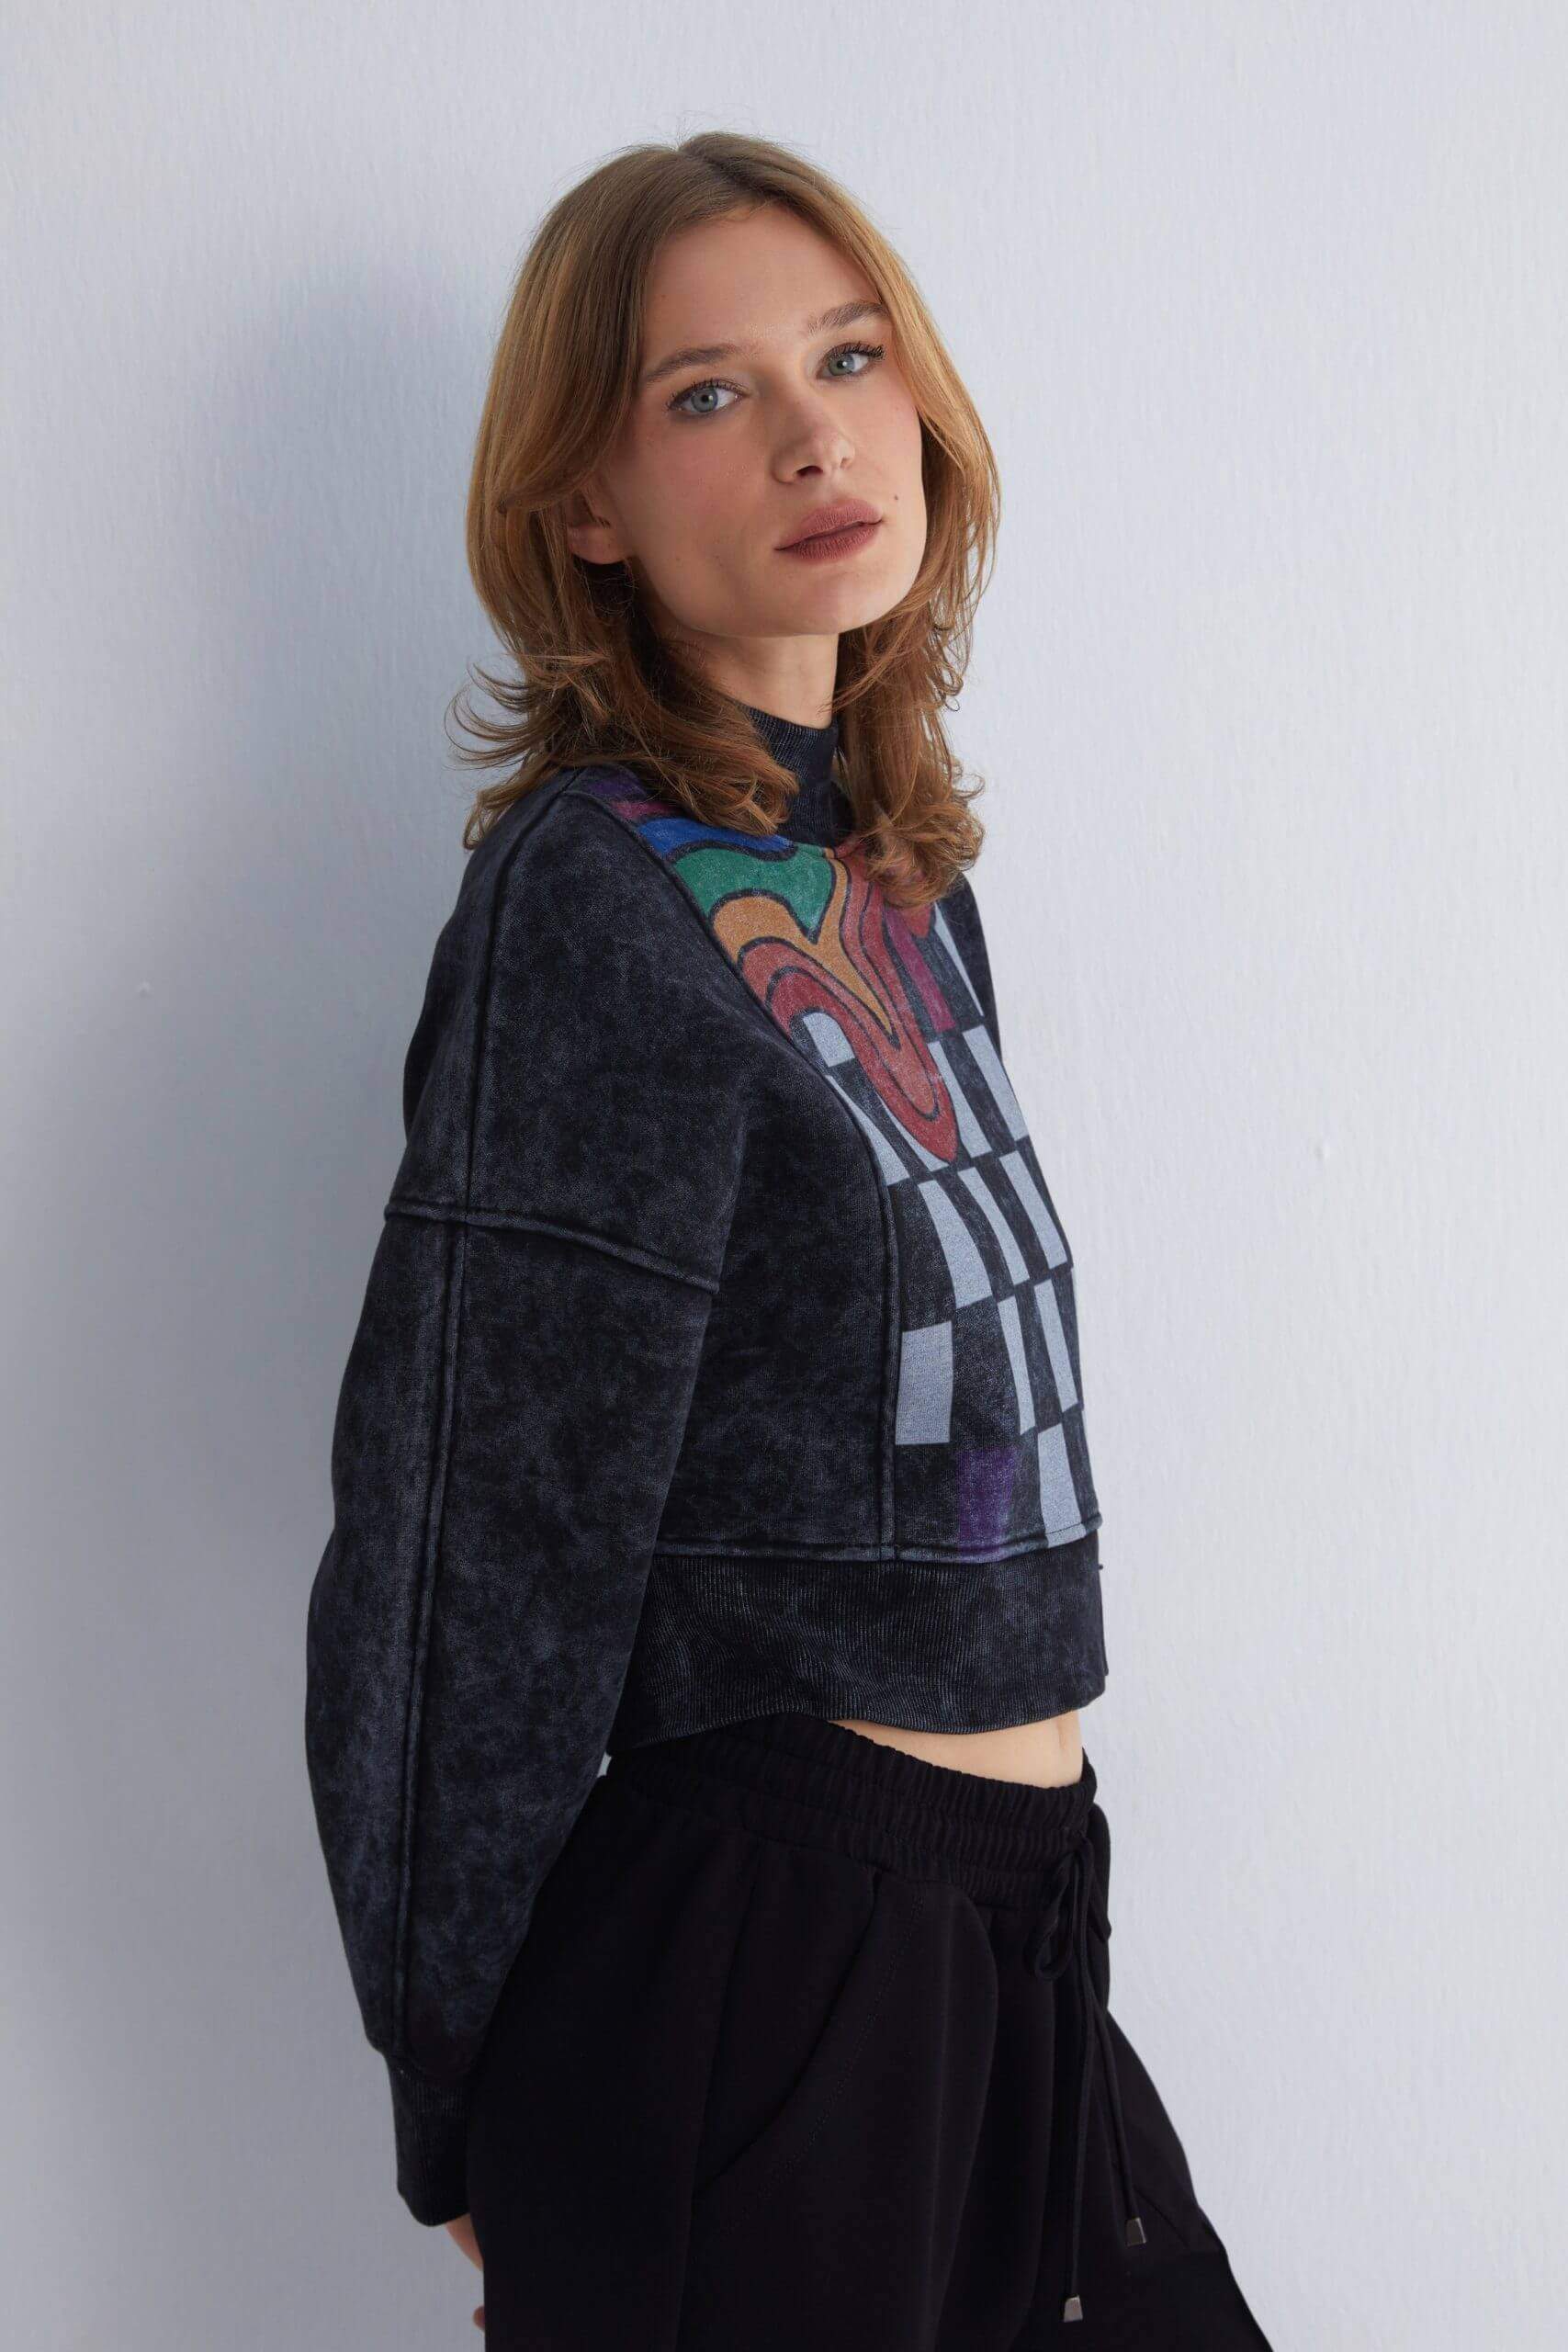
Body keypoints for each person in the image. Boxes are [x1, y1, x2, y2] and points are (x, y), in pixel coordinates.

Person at [304, 130, 1275, 2348]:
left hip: (1012, 1929)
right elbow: (468, 1539)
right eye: (706, 392)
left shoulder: (895, 876)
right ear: (584, 501)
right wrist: (449, 2082)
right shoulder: (586, 906)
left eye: (846, 357)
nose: (815, 433)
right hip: (768, 1972)